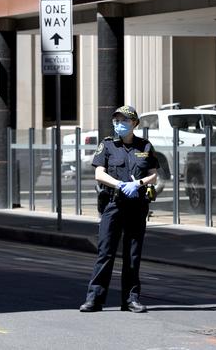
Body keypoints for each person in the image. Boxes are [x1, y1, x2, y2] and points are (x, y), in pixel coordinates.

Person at [79, 106, 159, 313]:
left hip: (136, 205)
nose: (119, 124)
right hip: (113, 204)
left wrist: (138, 183)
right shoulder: (107, 145)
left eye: (123, 120)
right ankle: (94, 299)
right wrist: (119, 184)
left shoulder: (145, 146)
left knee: (132, 254)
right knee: (105, 252)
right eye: (116, 120)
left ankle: (130, 299)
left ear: (134, 123)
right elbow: (99, 173)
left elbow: (153, 174)